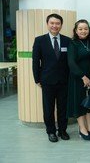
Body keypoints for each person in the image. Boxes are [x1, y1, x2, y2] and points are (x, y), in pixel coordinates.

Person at [32, 13, 71, 142]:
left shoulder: (67, 40)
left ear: (61, 25)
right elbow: (35, 61)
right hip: (47, 81)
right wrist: (37, 79)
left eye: (57, 23)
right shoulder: (39, 40)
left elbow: (70, 62)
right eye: (52, 23)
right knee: (48, 108)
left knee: (63, 108)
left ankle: (62, 130)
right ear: (47, 24)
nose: (55, 26)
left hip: (64, 81)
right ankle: (51, 131)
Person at [67, 19, 90, 141]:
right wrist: (83, 77)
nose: (83, 31)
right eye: (80, 29)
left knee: (89, 104)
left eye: (86, 29)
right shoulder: (73, 43)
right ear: (75, 30)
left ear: (89, 30)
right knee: (79, 104)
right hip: (78, 78)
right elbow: (71, 63)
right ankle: (82, 129)